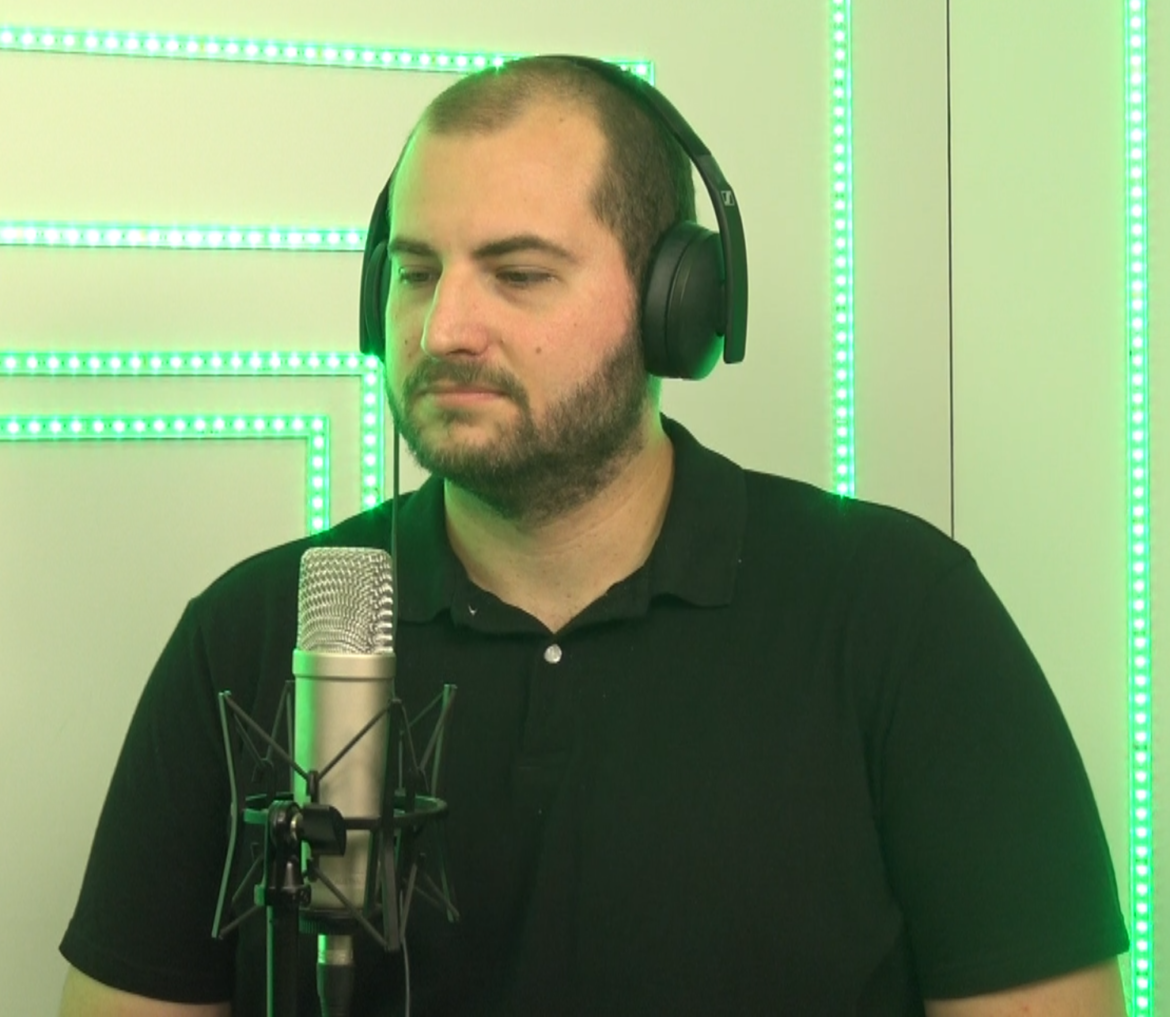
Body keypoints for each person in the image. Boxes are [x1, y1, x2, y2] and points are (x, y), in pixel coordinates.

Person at [58, 56, 1128, 1016]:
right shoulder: (254, 631)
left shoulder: (902, 616)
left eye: (520, 274)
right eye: (417, 272)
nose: (442, 329)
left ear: (677, 304)